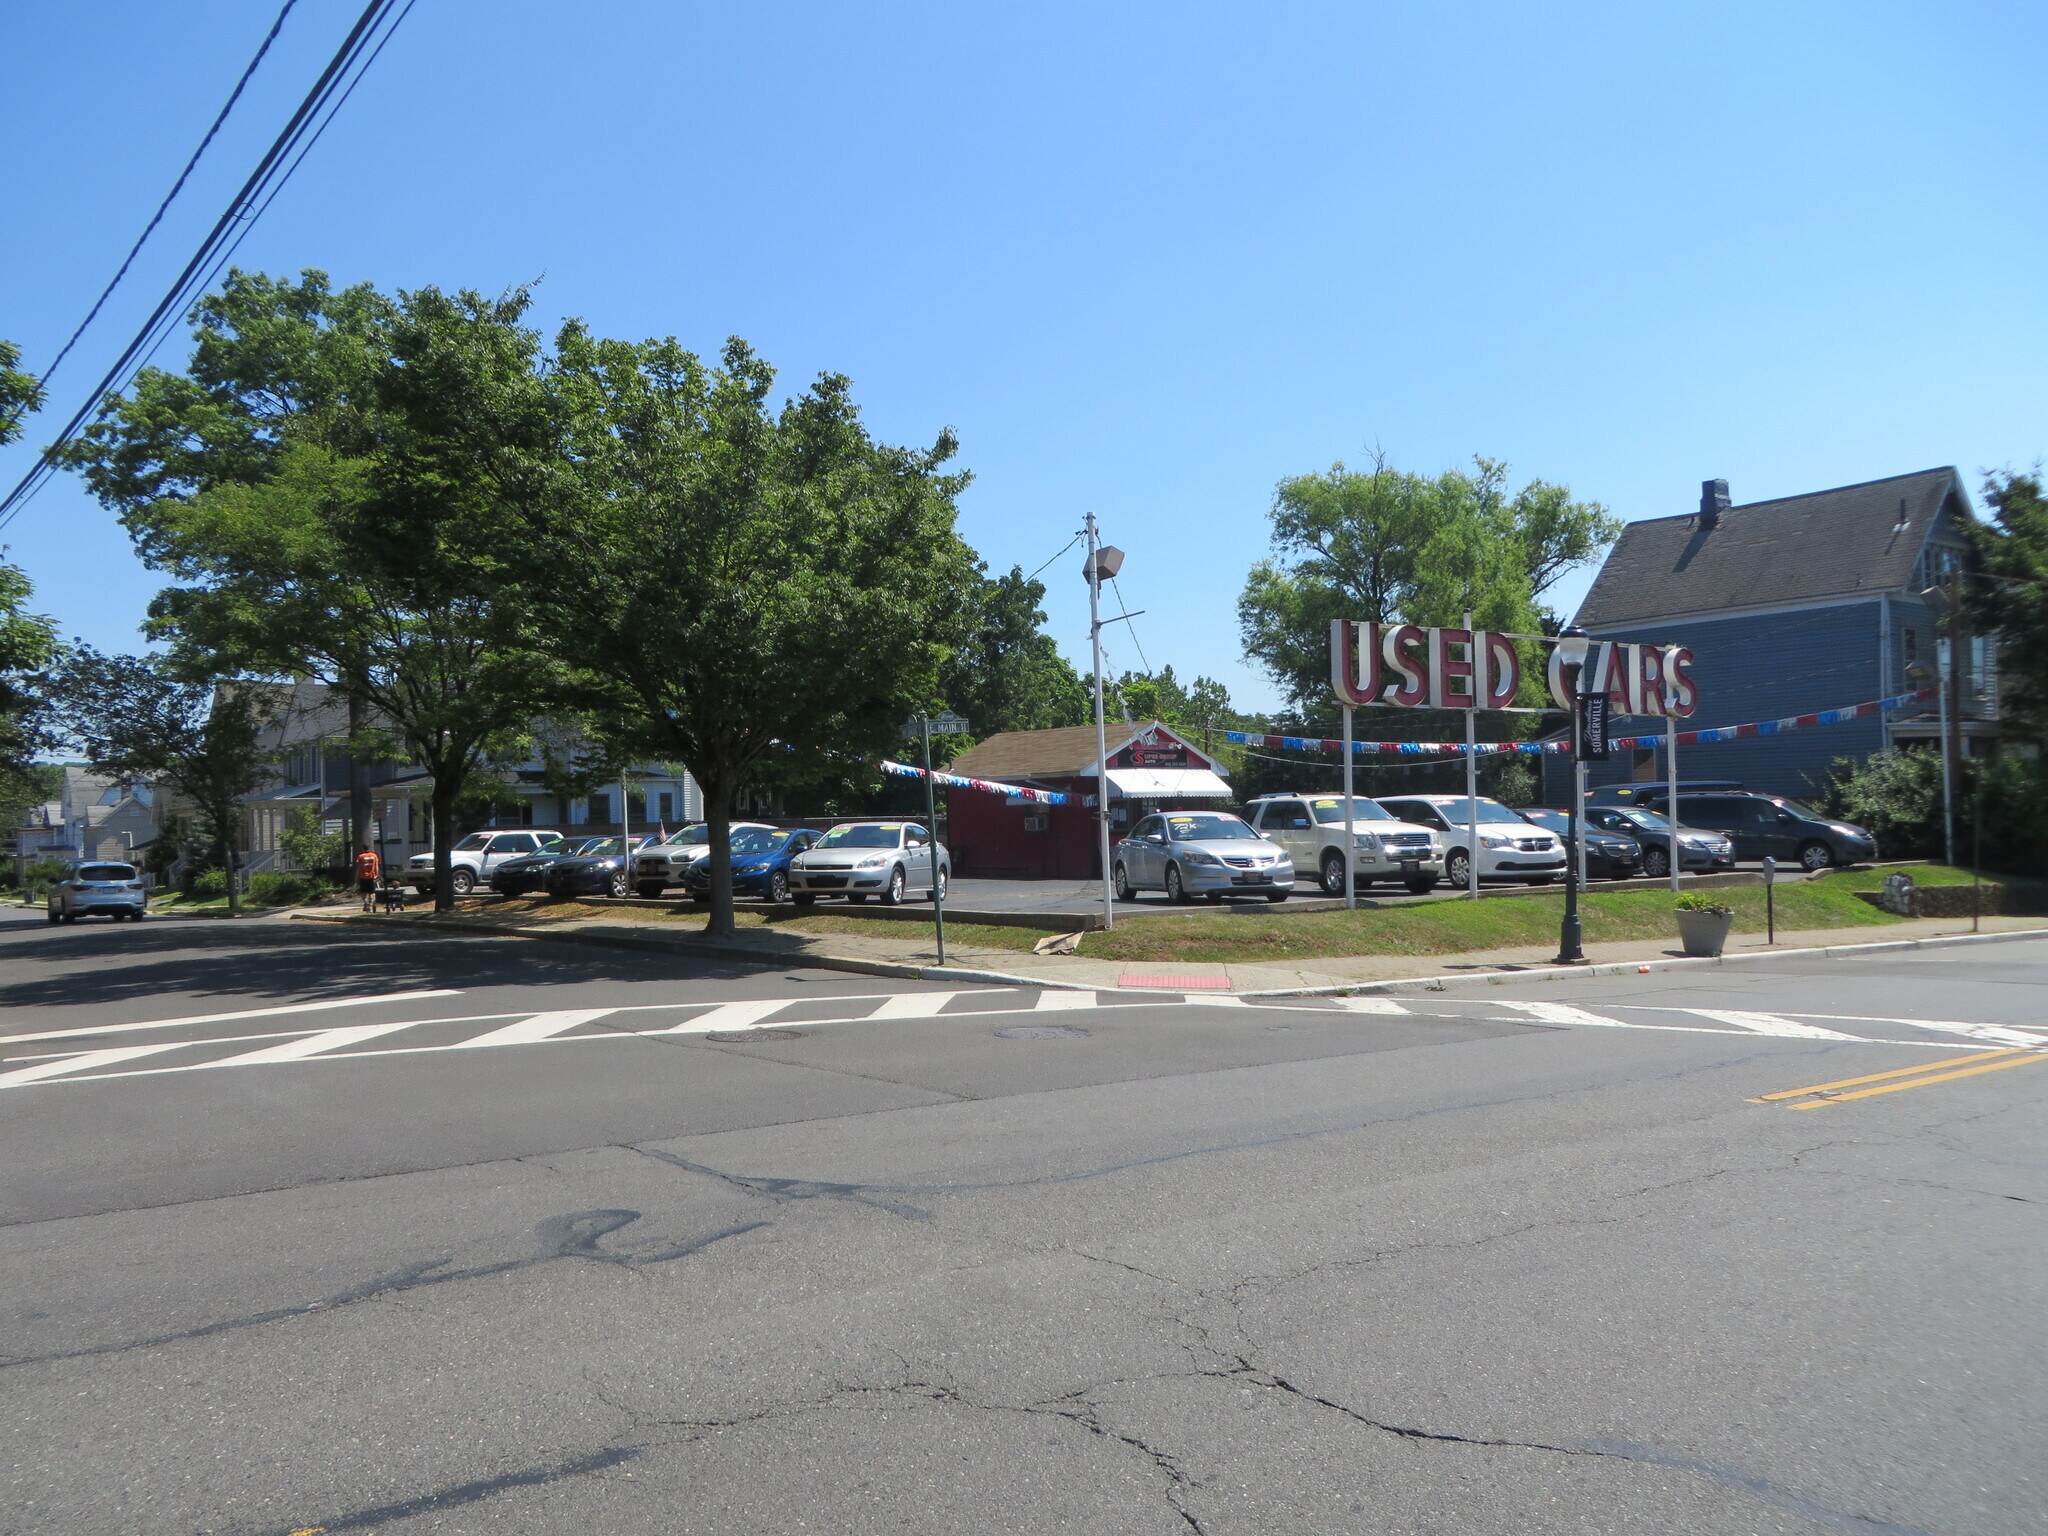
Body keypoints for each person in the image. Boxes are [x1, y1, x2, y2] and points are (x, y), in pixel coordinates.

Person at [355, 845, 382, 911]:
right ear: (369, 848)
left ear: (363, 849)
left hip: (363, 876)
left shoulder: (360, 856)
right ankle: (370, 905)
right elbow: (376, 866)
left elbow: (359, 867)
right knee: (371, 892)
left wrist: (356, 876)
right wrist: (377, 874)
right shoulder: (374, 856)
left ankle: (365, 902)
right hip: (372, 876)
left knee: (363, 892)